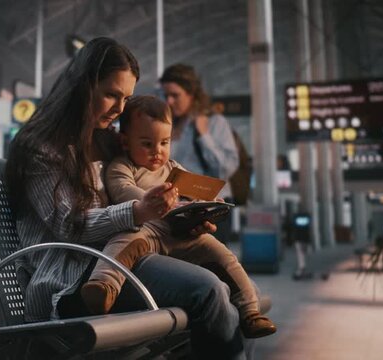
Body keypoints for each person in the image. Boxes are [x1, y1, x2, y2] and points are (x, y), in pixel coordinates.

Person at [6, 37, 251, 358]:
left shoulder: (110, 142)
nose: (121, 108)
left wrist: (180, 221)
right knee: (209, 291)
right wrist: (138, 210)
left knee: (241, 296)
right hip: (74, 279)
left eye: (127, 98)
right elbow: (70, 226)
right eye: (111, 94)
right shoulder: (42, 147)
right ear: (82, 86)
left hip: (124, 260)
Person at [81, 95, 276, 338]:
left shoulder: (174, 169)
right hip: (148, 230)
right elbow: (123, 191)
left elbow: (197, 192)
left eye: (164, 142)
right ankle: (104, 286)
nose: (157, 151)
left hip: (182, 233)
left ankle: (250, 312)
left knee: (225, 257)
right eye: (147, 144)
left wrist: (209, 205)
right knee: (122, 241)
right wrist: (153, 203)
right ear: (125, 142)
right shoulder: (122, 167)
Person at [160, 64, 239, 244]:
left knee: (211, 266)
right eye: (166, 95)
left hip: (208, 209)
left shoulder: (214, 123)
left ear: (191, 94)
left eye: (175, 95)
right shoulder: (168, 126)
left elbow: (225, 169)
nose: (169, 101)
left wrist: (204, 136)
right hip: (178, 209)